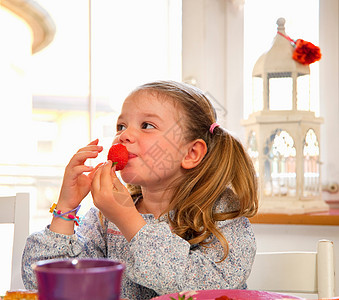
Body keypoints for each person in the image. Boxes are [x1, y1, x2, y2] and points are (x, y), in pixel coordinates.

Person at [22, 80, 258, 300]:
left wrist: (129, 220)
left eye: (147, 125)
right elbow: (45, 288)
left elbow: (208, 289)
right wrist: (66, 208)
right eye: (121, 125)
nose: (124, 135)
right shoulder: (104, 219)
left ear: (191, 153)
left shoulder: (222, 217)